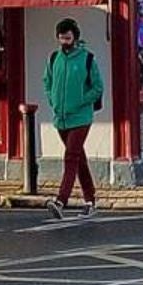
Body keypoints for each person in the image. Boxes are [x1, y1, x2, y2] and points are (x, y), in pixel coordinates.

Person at [41, 17, 103, 214]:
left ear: (75, 38)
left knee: (70, 157)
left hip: (81, 117)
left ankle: (61, 200)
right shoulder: (54, 58)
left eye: (68, 38)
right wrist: (53, 100)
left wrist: (81, 100)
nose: (64, 42)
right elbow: (47, 82)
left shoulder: (87, 58)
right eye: (61, 38)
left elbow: (98, 87)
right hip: (61, 117)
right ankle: (90, 200)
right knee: (78, 159)